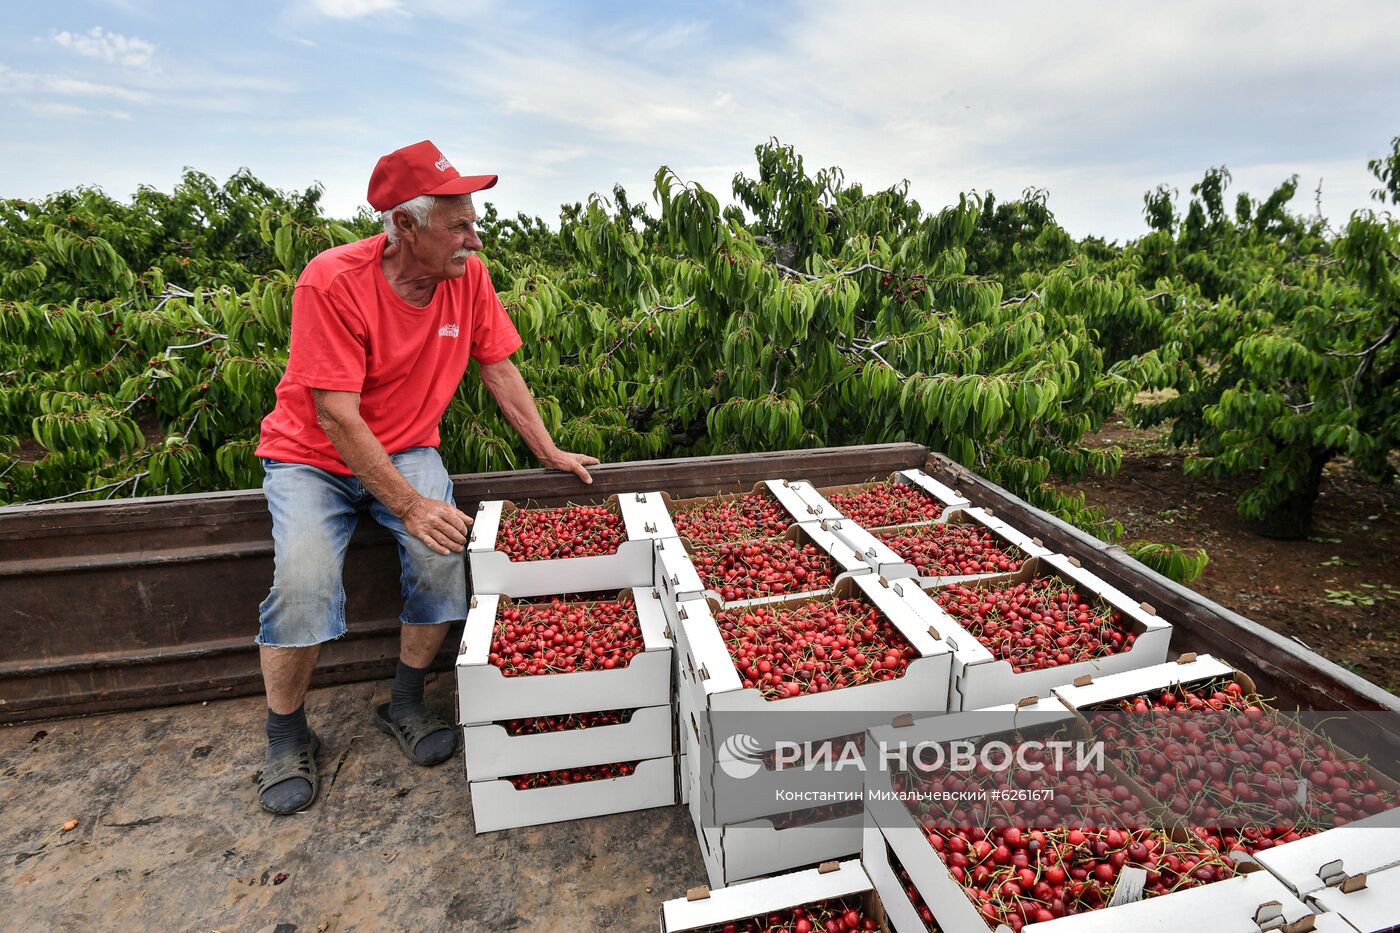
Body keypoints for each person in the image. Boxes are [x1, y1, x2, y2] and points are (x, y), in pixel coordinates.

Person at [251, 140, 598, 815]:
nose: (474, 235)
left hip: (405, 445)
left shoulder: (468, 275)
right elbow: (335, 413)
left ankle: (404, 701)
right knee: (304, 580)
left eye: (473, 220)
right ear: (406, 226)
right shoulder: (331, 280)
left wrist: (550, 450)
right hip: (312, 454)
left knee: (443, 562)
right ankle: (285, 733)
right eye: (459, 224)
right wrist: (410, 505)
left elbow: (498, 365)